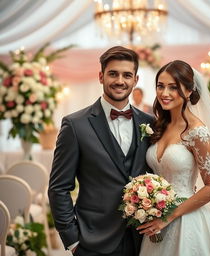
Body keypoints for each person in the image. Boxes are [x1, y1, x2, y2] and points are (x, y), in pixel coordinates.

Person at [48, 46, 154, 256]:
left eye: (127, 75)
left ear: (136, 80)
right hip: (92, 241)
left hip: (143, 239)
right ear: (100, 76)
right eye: (113, 73)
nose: (120, 81)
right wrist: (73, 240)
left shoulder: (150, 123)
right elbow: (58, 188)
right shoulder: (75, 125)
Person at [137, 60, 210, 256]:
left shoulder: (198, 132)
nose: (164, 93)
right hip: (156, 219)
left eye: (173, 87)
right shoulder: (158, 126)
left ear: (189, 91)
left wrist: (169, 217)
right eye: (160, 86)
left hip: (187, 220)